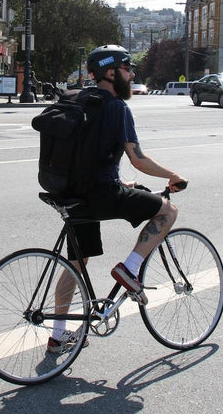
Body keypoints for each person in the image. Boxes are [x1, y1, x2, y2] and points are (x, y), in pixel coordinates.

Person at [48, 45, 188, 353]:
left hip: (72, 194)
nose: (132, 75)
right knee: (168, 210)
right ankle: (130, 268)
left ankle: (58, 336)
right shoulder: (116, 107)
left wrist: (120, 180)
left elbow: (88, 155)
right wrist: (172, 175)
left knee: (76, 263)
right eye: (127, 69)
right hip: (100, 195)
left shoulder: (79, 100)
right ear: (111, 73)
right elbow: (138, 158)